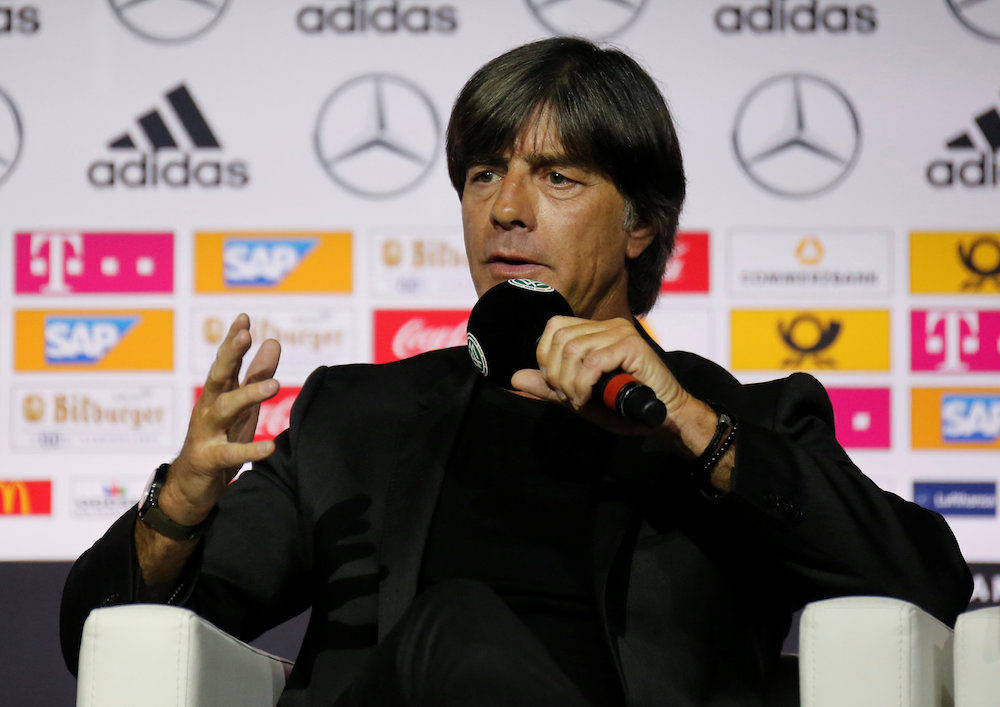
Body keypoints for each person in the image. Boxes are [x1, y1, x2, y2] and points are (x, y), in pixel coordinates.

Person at [60, 37, 971, 706]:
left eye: (558, 179)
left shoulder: (736, 419)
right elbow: (102, 637)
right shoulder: (357, 416)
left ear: (640, 226)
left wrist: (696, 431)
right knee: (451, 628)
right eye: (484, 174)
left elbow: (928, 581)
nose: (505, 208)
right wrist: (176, 503)